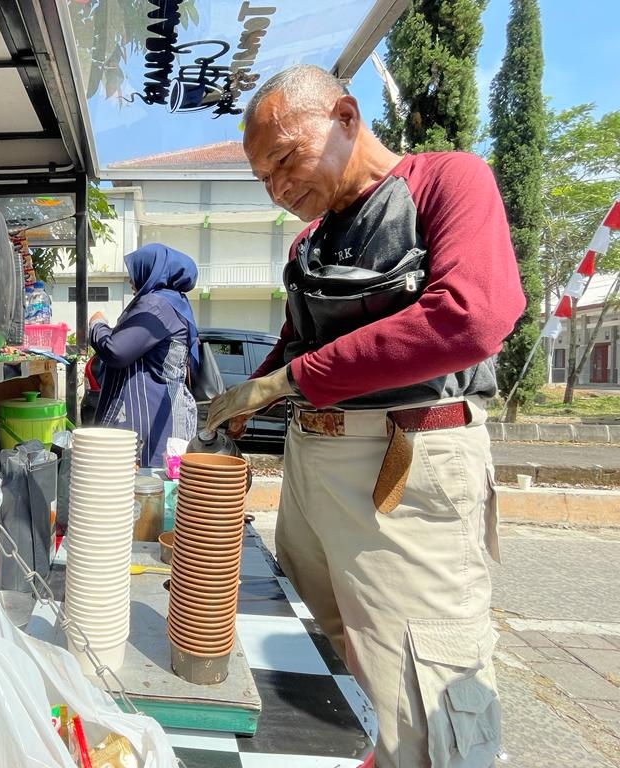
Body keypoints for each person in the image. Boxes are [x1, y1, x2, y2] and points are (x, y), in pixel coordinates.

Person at [206, 64, 525, 768]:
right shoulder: (308, 245)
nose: (280, 187)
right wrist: (245, 397)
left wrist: (293, 378)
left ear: (347, 115)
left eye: (286, 159)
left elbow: (470, 318)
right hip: (311, 469)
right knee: (308, 664)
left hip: (404, 467)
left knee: (418, 691)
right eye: (264, 178)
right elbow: (300, 343)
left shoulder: (447, 181)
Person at [89, 243, 199, 467]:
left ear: (154, 271)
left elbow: (116, 351)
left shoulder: (156, 305)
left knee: (142, 490)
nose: (131, 280)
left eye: (136, 272)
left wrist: (97, 325)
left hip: (148, 419)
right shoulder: (175, 304)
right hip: (166, 413)